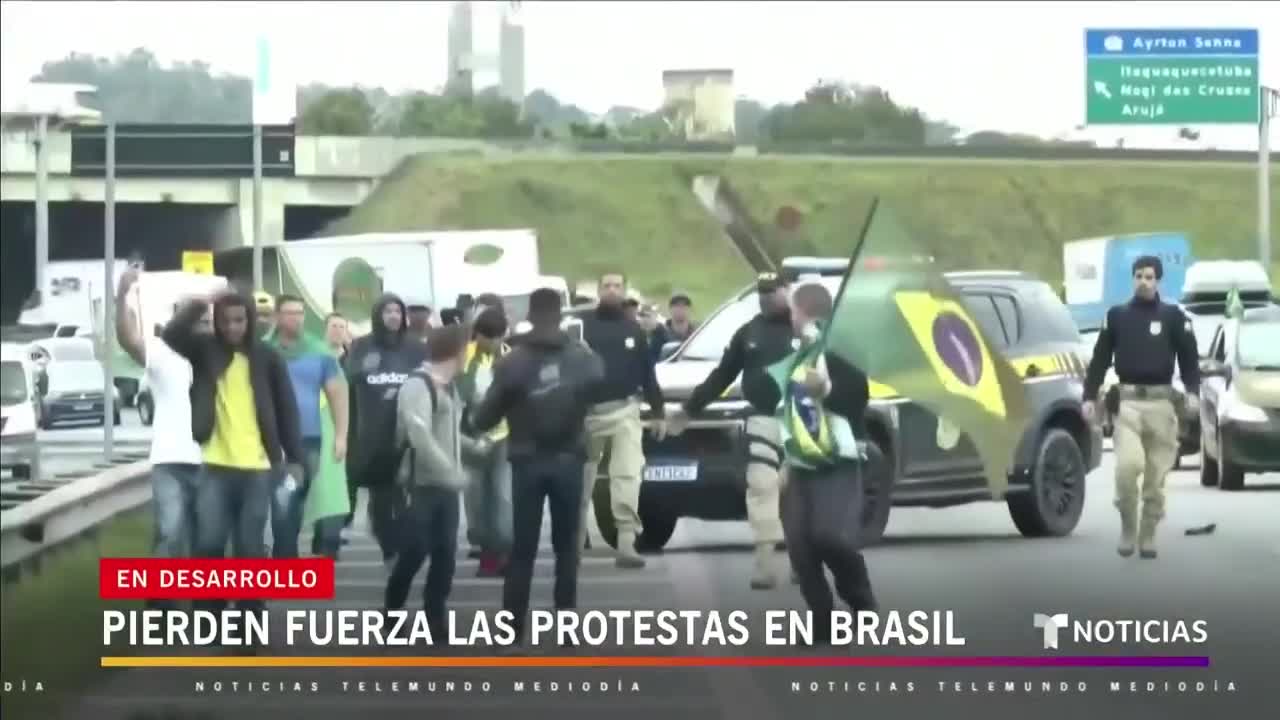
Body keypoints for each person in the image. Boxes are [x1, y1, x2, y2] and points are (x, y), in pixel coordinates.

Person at [467, 288, 605, 649]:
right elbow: (600, 388)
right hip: (568, 459)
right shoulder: (581, 358)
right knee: (566, 546)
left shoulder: (514, 361)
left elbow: (485, 418)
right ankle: (567, 621)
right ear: (559, 314)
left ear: (530, 313)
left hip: (527, 460)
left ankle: (512, 624)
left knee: (523, 546)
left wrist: (484, 411)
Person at [163, 290, 303, 630]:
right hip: (215, 465)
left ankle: (248, 622)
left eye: (239, 320)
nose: (232, 327)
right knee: (209, 542)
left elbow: (286, 409)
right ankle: (209, 618)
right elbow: (172, 335)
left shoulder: (267, 357)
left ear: (250, 320)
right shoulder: (205, 350)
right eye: (225, 321)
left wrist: (296, 458)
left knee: (249, 547)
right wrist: (200, 300)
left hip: (257, 468)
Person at [766, 282, 878, 644]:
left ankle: (862, 606)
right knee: (799, 544)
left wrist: (826, 390)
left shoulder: (842, 348)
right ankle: (822, 620)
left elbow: (858, 395)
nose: (791, 318)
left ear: (804, 311)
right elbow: (792, 413)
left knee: (829, 537)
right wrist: (784, 460)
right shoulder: (800, 353)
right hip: (800, 463)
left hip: (837, 460)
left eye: (794, 311)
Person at [669, 272, 794, 590]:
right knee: (761, 487)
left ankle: (804, 563)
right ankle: (765, 564)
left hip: (804, 424)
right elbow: (722, 375)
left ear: (788, 290)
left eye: (774, 291)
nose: (768, 298)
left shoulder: (810, 327)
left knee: (801, 494)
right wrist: (689, 409)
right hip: (763, 421)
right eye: (763, 292)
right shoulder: (749, 332)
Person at [1084, 255, 1199, 560]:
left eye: (1149, 277)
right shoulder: (1118, 316)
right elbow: (1099, 359)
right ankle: (1127, 528)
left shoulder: (1174, 317)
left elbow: (1189, 359)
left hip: (1162, 406)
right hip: (1129, 405)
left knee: (1155, 479)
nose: (1144, 282)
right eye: (1139, 276)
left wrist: (1193, 392)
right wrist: (1088, 397)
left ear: (1158, 280)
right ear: (1132, 279)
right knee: (1127, 467)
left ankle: (1147, 533)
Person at [114, 267, 209, 610]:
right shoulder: (161, 353)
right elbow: (127, 338)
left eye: (206, 322)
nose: (203, 327)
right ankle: (161, 609)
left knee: (207, 540)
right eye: (196, 320)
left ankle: (204, 611)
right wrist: (121, 297)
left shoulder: (217, 356)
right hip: (170, 460)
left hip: (212, 460)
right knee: (170, 532)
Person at [385, 324, 473, 641]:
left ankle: (435, 619)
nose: (468, 356)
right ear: (455, 351)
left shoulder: (449, 386)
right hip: (419, 485)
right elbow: (419, 434)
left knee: (445, 555)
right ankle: (392, 617)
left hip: (445, 488)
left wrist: (472, 448)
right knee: (414, 552)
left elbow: (447, 429)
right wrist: (451, 470)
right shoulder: (417, 385)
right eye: (466, 349)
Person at [579, 273, 665, 569]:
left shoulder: (634, 329)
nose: (613, 290)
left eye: (618, 286)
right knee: (581, 479)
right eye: (607, 286)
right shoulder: (582, 329)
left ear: (625, 290)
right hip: (587, 414)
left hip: (626, 410)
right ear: (598, 290)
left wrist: (658, 412)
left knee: (627, 475)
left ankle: (627, 542)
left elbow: (648, 373)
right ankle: (575, 542)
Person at [344, 293, 428, 565]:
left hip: (410, 433)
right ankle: (389, 546)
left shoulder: (416, 348)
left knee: (408, 497)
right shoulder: (361, 347)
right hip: (373, 434)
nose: (393, 316)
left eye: (397, 311)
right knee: (381, 498)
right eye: (388, 311)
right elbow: (348, 383)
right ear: (378, 315)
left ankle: (406, 544)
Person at [264, 295, 350, 559]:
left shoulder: (319, 352)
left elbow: (338, 393)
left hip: (309, 438)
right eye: (290, 313)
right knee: (283, 499)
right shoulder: (263, 349)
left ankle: (286, 554)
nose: (297, 318)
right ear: (277, 317)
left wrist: (341, 435)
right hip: (273, 439)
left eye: (300, 313)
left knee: (297, 498)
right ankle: (285, 558)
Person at [458, 308, 514, 575]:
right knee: (476, 499)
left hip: (504, 437)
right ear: (476, 334)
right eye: (486, 336)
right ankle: (485, 550)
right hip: (471, 437)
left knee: (502, 497)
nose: (491, 341)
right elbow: (458, 393)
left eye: (496, 336)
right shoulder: (464, 357)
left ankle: (503, 553)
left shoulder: (510, 358)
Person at [648, 293, 698, 361]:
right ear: (670, 309)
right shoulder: (659, 333)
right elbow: (652, 359)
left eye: (684, 306)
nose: (681, 309)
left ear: (689, 309)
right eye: (677, 306)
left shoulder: (697, 334)